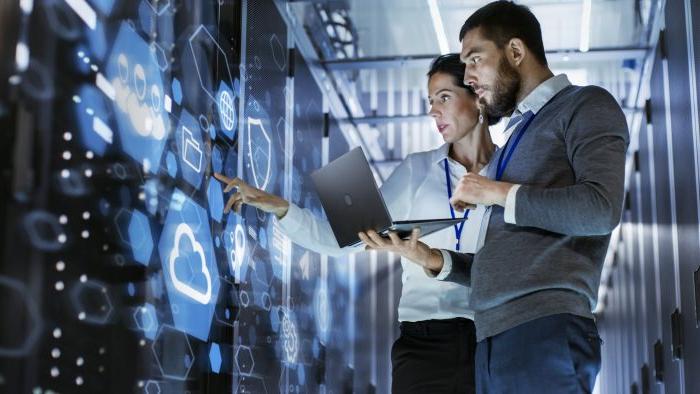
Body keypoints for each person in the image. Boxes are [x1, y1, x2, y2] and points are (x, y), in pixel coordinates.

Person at [365, 1, 629, 393]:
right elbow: (502, 261)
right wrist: (431, 260)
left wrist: (494, 191)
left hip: (544, 330)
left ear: (516, 52)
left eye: (475, 59)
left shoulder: (585, 105)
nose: (469, 76)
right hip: (493, 339)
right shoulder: (515, 142)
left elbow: (599, 209)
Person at [215, 53, 495, 394]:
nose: (433, 111)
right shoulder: (416, 170)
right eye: (430, 101)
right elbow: (341, 241)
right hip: (425, 342)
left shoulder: (512, 172)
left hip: (493, 338)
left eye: (444, 98)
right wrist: (282, 208)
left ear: (477, 97)